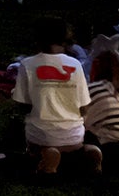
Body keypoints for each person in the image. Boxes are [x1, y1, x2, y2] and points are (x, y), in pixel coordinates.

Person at [12, 17, 102, 178]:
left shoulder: (27, 64)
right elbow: (84, 106)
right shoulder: (75, 65)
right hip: (74, 136)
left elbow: (23, 105)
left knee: (23, 129)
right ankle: (86, 151)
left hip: (43, 135)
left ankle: (47, 157)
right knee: (75, 141)